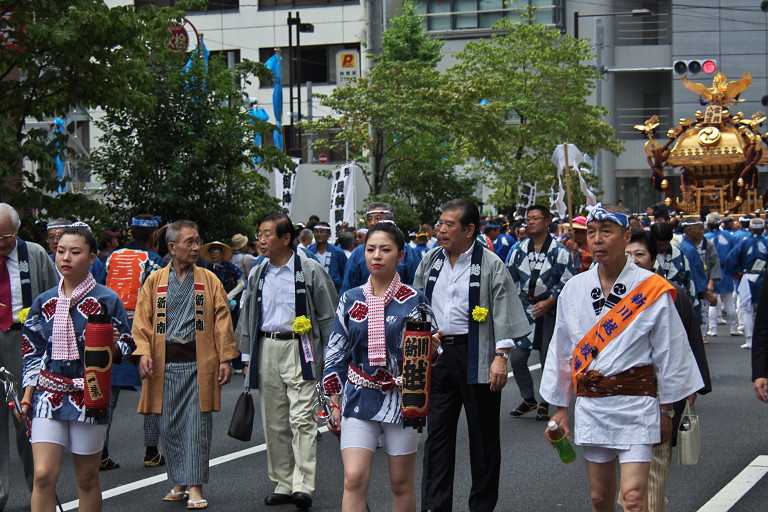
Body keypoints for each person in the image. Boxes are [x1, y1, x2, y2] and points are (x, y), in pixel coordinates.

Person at [540, 204, 704, 512]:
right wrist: (560, 409)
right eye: (591, 233)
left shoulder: (649, 287)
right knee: (600, 499)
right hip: (593, 403)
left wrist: (667, 410)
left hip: (636, 403)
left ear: (626, 236)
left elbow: (668, 349)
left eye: (606, 231)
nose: (597, 239)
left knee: (633, 498)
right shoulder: (574, 289)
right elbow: (561, 351)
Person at [415, 199, 530, 512]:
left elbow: (504, 308)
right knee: (437, 437)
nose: (441, 230)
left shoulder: (490, 263)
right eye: (440, 224)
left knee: (483, 437)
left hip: (476, 352)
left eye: (449, 225)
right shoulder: (430, 261)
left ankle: (481, 506)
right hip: (438, 355)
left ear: (469, 229)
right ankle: (435, 507)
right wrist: (422, 342)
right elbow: (417, 304)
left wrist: (501, 355)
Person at [322, 222, 438, 512]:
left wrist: (432, 348)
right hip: (359, 394)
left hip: (404, 399)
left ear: (400, 256)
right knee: (353, 478)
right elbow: (336, 352)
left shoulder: (414, 300)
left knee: (400, 482)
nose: (377, 256)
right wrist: (332, 400)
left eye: (385, 250)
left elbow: (431, 357)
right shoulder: (350, 299)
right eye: (370, 249)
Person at [19, 223, 135, 512]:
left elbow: (127, 341)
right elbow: (32, 351)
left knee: (86, 477)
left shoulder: (106, 299)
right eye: (60, 252)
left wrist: (112, 346)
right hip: (48, 391)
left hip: (90, 393)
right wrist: (27, 394)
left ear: (92, 257)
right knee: (43, 475)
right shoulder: (44, 301)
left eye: (75, 252)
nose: (65, 258)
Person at [133, 220, 239, 509]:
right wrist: (143, 352)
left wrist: (226, 357)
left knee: (196, 427)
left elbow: (221, 320)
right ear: (172, 247)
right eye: (189, 242)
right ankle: (178, 481)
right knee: (170, 426)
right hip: (164, 364)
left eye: (197, 241)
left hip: (198, 364)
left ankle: (194, 486)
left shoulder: (208, 279)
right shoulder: (155, 280)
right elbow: (142, 321)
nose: (195, 247)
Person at [239, 213, 337, 510]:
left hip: (301, 348)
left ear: (286, 239)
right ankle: (282, 481)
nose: (261, 240)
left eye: (267, 234)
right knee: (275, 419)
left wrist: (330, 360)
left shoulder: (309, 270)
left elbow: (328, 314)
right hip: (267, 347)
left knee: (302, 418)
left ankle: (303, 484)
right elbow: (248, 316)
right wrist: (246, 356)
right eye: (259, 234)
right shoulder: (259, 272)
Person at [625, 228, 712, 511]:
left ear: (653, 259)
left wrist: (690, 389)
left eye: (640, 254)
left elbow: (690, 340)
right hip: (622, 395)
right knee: (630, 477)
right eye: (628, 254)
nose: (634, 260)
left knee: (654, 466)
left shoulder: (672, 294)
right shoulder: (610, 296)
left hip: (661, 394)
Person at [0, 203, 59, 510]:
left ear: (18, 230)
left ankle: (39, 489)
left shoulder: (34, 254)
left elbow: (53, 296)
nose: (1, 244)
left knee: (26, 419)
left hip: (25, 340)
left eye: (6, 238)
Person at [103, 214, 167, 469]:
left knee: (108, 392)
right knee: (150, 385)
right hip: (142, 327)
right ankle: (151, 451)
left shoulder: (110, 258)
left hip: (110, 327)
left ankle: (100, 452)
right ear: (153, 236)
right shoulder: (153, 260)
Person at [506, 205, 574, 421]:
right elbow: (508, 279)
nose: (530, 222)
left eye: (535, 218)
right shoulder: (517, 249)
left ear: (547, 222)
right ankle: (528, 398)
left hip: (550, 312)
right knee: (517, 358)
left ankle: (545, 402)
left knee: (547, 359)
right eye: (528, 219)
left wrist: (551, 300)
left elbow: (568, 281)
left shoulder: (560, 251)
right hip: (524, 309)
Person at [340, 203, 420, 295]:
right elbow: (348, 289)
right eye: (369, 219)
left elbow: (415, 285)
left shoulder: (406, 250)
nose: (373, 223)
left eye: (378, 218)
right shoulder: (358, 252)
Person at [725, 217, 768, 349]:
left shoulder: (744, 243)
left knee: (747, 310)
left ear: (750, 229)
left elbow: (730, 258)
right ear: (763, 229)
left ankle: (749, 340)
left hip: (747, 276)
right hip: (764, 277)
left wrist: (735, 272)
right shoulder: (766, 242)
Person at [678, 216, 719, 336]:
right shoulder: (688, 249)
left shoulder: (688, 247)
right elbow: (693, 275)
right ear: (689, 230)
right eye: (700, 229)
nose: (702, 232)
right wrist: (707, 293)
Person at [704, 212, 739, 337]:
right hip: (726, 270)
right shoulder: (728, 236)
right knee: (729, 301)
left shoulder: (706, 237)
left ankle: (713, 329)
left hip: (711, 271)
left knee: (712, 301)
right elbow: (734, 253)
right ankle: (734, 328)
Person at [46, 219, 107, 285]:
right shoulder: (46, 261)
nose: (55, 241)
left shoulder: (93, 263)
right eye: (51, 237)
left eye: (60, 236)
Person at [308, 222, 348, 292]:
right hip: (315, 290)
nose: (318, 234)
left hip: (334, 290)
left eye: (322, 232)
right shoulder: (310, 252)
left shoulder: (338, 252)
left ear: (329, 234)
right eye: (316, 232)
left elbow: (345, 272)